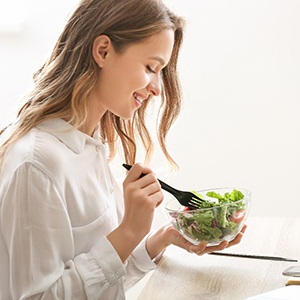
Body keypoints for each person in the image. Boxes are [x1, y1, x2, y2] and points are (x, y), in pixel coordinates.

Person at [0, 0, 246, 299]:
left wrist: (162, 238)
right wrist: (129, 230)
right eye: (150, 67)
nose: (157, 87)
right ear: (103, 51)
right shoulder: (36, 164)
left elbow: (100, 284)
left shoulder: (91, 147)